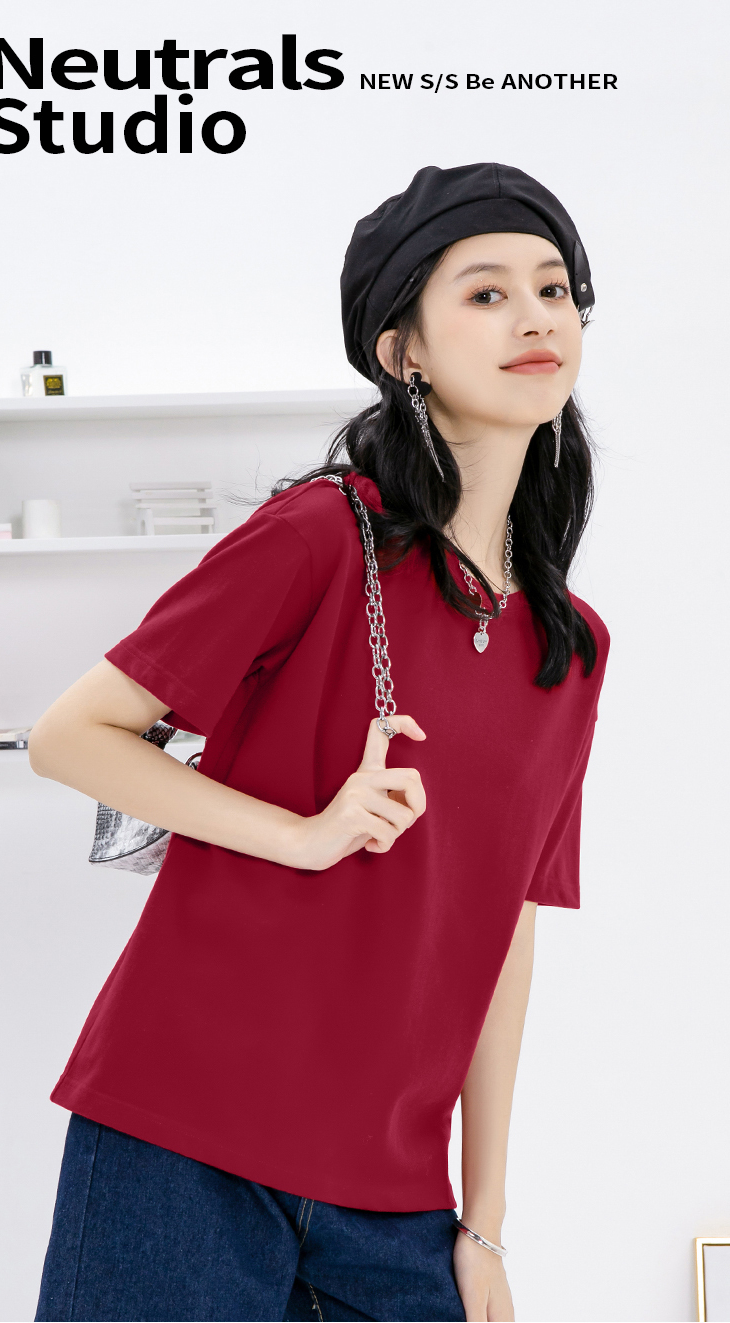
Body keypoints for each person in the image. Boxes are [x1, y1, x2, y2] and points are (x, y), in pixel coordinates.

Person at [30, 162, 609, 1323]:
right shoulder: (320, 536)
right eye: (485, 293)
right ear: (404, 351)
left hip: (395, 1192)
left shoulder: (569, 647)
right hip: (184, 1134)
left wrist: (483, 1221)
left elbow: (505, 935)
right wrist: (301, 836)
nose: (535, 317)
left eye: (553, 289)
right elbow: (72, 736)